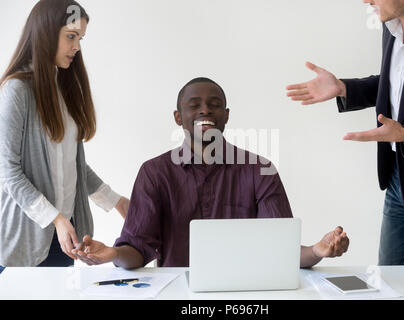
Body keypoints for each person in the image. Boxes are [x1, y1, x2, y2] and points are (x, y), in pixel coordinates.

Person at [72, 77, 350, 269]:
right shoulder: (154, 173)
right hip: (179, 293)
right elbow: (137, 249)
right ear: (178, 117)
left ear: (226, 115)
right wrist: (112, 254)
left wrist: (317, 251)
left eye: (214, 104)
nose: (205, 109)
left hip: (247, 294)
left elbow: (282, 247)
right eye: (194, 105)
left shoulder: (260, 170)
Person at [286, 0, 404, 265]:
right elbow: (396, 84)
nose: (366, 1)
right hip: (398, 181)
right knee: (390, 282)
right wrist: (343, 88)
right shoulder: (391, 27)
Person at [0, 0, 130, 271]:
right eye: (71, 37)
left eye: (80, 38)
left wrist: (117, 202)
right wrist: (56, 218)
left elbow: (74, 166)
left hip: (63, 240)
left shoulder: (65, 91)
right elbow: (8, 171)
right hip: (23, 241)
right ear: (45, 32)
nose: (77, 47)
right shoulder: (17, 90)